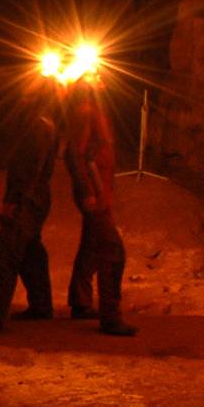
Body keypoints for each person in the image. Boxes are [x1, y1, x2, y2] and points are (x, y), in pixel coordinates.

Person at [0, 84, 61, 337]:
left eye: (29, 91)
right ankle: (41, 306)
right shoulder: (40, 122)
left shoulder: (40, 125)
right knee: (31, 252)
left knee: (4, 258)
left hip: (28, 198)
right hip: (34, 196)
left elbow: (31, 169)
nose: (23, 92)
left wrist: (14, 200)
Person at [65, 73, 136, 336]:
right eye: (96, 77)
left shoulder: (98, 110)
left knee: (91, 247)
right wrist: (88, 193)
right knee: (112, 252)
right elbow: (75, 153)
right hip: (94, 195)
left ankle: (80, 303)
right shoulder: (86, 112)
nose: (103, 78)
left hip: (101, 193)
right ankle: (111, 317)